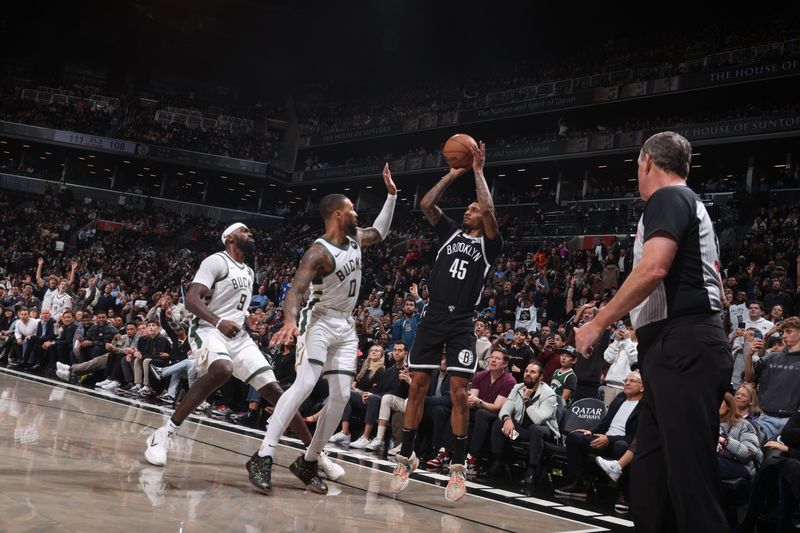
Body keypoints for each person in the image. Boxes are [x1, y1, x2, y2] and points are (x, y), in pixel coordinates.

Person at [575, 131, 732, 532]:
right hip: (674, 345)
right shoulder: (684, 203)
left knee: (689, 479)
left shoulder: (669, 197)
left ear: (646, 162)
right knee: (651, 476)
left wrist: (598, 322)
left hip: (683, 341)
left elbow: (654, 267)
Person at [143, 223, 343, 483]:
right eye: (246, 231)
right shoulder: (215, 261)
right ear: (230, 238)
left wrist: (248, 323)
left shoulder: (249, 271)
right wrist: (217, 322)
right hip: (208, 330)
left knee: (277, 393)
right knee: (222, 370)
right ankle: (165, 433)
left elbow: (234, 308)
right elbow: (191, 300)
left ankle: (316, 455)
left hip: (237, 337)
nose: (251, 234)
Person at [249, 164, 397, 495]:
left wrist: (392, 195)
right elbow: (296, 291)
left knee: (342, 395)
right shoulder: (318, 251)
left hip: (346, 325)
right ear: (336, 214)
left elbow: (381, 232)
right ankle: (264, 454)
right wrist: (289, 320)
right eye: (351, 209)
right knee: (304, 384)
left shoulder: (356, 238)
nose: (356, 212)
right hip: (319, 320)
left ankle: (309, 459)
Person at [393, 140, 503, 503]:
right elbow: (426, 204)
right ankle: (406, 457)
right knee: (418, 386)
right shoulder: (449, 232)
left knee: (458, 393)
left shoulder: (490, 244)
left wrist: (477, 171)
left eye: (474, 208)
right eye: (469, 208)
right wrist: (452, 173)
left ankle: (457, 469)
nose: (471, 210)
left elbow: (487, 207)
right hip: (433, 316)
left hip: (462, 322)